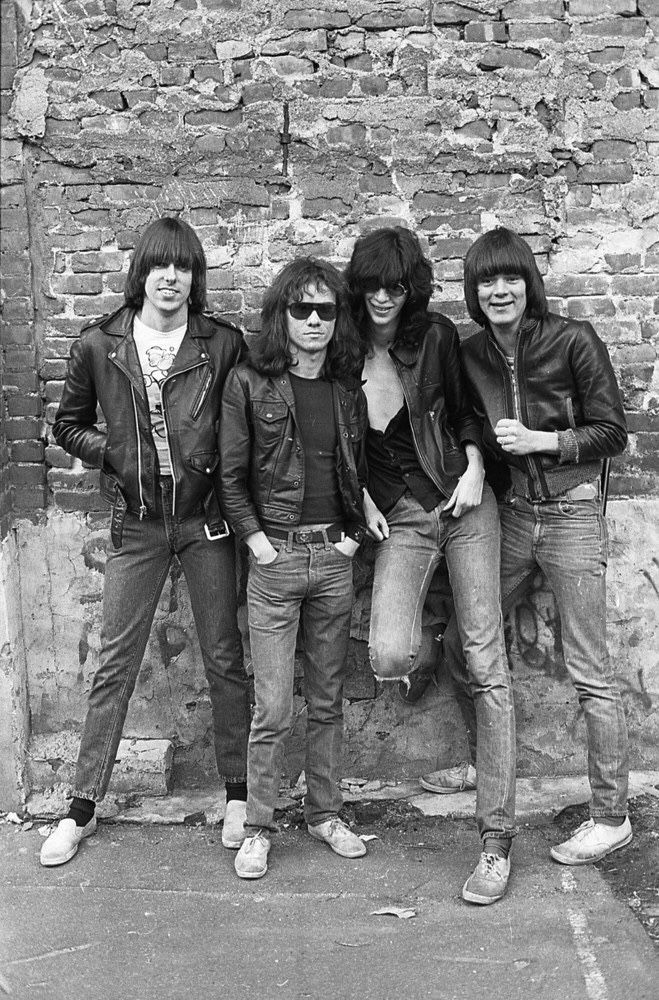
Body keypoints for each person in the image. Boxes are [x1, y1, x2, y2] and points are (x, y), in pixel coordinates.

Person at [41, 217, 250, 866]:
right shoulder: (101, 346)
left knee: (222, 655)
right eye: (160, 266)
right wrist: (119, 453)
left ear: (194, 277)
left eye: (183, 267)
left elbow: (242, 425)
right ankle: (80, 807)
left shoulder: (221, 344)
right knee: (114, 663)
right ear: (142, 274)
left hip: (205, 521)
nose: (170, 277)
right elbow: (67, 426)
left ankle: (238, 794)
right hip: (136, 523)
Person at [433, 225, 631, 866]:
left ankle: (611, 815)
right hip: (513, 513)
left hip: (572, 515)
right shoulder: (470, 355)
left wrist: (546, 443)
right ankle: (484, 763)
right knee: (467, 641)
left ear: (528, 283)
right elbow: (462, 419)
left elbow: (613, 432)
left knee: (590, 669)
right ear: (474, 289)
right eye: (486, 280)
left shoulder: (573, 339)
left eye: (510, 277)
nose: (499, 290)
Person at [345, 226, 515, 905]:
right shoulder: (341, 347)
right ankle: (436, 632)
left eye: (396, 285)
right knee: (389, 655)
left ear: (411, 285)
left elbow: (470, 412)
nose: (384, 297)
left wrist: (474, 466)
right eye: (372, 285)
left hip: (464, 504)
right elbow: (335, 436)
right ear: (356, 286)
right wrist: (359, 496)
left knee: (487, 662)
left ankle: (496, 840)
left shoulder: (435, 336)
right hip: (404, 518)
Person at [220, 257, 368, 880]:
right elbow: (229, 477)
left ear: (338, 320)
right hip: (275, 559)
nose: (313, 320)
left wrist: (355, 540)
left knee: (328, 699)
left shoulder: (344, 388)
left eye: (325, 310)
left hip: (334, 559)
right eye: (301, 309)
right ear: (282, 316)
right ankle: (258, 824)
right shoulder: (250, 382)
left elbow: (362, 472)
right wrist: (258, 545)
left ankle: (326, 812)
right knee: (274, 705)